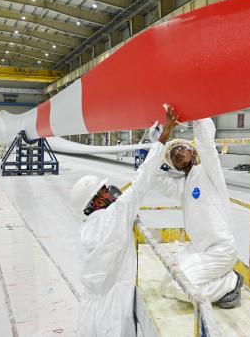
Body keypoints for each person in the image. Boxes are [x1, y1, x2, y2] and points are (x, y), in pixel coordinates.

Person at [71, 122, 168, 337]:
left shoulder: (86, 229)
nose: (110, 193)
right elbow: (141, 181)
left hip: (88, 313)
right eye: (104, 191)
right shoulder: (115, 216)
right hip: (113, 314)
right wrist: (160, 143)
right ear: (95, 202)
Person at [150, 106, 243, 309]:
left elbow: (206, 145)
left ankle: (231, 282)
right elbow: (154, 179)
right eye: (173, 154)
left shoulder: (208, 173)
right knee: (166, 285)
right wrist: (157, 143)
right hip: (198, 249)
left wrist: (197, 112)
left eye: (180, 149)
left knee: (181, 288)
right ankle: (222, 279)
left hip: (221, 250)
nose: (176, 154)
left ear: (192, 152)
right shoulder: (182, 186)